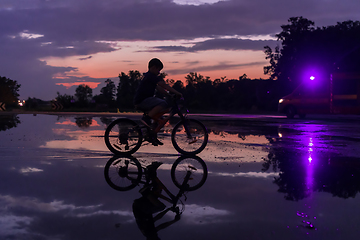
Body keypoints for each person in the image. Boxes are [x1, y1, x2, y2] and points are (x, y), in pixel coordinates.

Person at [133, 58, 182, 145]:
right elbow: (163, 85)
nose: (159, 72)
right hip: (142, 101)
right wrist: (177, 92)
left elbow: (159, 88)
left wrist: (169, 95)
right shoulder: (151, 76)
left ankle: (152, 136)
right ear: (153, 67)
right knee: (163, 103)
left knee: (160, 119)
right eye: (158, 69)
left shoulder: (149, 77)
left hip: (145, 100)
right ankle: (146, 118)